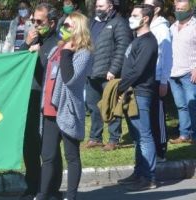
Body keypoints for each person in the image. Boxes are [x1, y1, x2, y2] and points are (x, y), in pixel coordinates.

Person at [34, 11, 92, 200]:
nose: (63, 29)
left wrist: (67, 52)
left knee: (71, 156)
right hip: (50, 108)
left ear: (78, 29)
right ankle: (42, 194)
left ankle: (71, 196)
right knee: (48, 155)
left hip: (68, 110)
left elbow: (70, 79)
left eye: (68, 26)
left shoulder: (83, 53)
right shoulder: (56, 49)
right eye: (63, 25)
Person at [19, 3, 60, 199]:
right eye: (33, 21)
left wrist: (38, 53)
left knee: (49, 149)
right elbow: (16, 63)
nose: (35, 25)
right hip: (31, 98)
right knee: (30, 146)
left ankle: (51, 189)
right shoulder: (34, 39)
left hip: (49, 100)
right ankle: (32, 185)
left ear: (51, 23)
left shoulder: (57, 42)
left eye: (39, 21)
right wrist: (27, 45)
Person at [116, 4, 158, 191]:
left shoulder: (148, 41)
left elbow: (138, 70)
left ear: (145, 18)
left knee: (145, 136)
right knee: (137, 137)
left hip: (140, 93)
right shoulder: (136, 40)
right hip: (130, 93)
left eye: (134, 15)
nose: (130, 18)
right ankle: (139, 173)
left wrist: (119, 88)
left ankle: (149, 178)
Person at [85, 0, 132, 151]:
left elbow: (122, 48)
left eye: (101, 6)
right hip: (91, 72)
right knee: (93, 107)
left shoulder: (119, 23)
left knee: (112, 106)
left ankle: (114, 139)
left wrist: (113, 70)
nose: (97, 8)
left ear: (110, 7)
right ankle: (95, 138)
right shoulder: (91, 23)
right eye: (96, 6)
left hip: (109, 74)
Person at [144, 0, 173, 162]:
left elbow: (166, 57)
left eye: (148, 4)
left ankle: (161, 150)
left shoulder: (162, 29)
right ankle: (151, 150)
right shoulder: (147, 26)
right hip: (146, 78)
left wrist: (163, 81)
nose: (144, 6)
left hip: (157, 78)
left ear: (157, 9)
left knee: (157, 116)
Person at [168, 0, 196, 145]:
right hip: (173, 73)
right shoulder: (172, 27)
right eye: (177, 8)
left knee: (193, 104)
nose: (179, 11)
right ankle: (184, 135)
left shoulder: (194, 25)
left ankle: (195, 136)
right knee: (181, 105)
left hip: (189, 72)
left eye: (182, 9)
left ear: (190, 10)